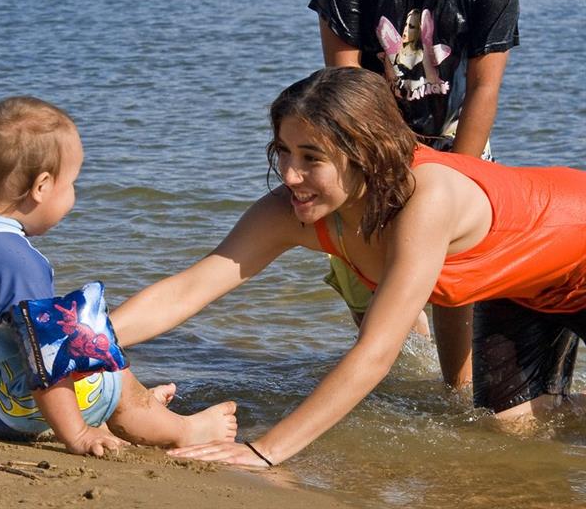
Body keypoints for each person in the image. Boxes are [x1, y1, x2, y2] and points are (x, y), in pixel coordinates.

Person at [110, 67, 584, 468]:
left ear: (367, 154)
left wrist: (265, 450)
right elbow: (189, 288)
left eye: (311, 158)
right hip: (525, 286)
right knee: (515, 427)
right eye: (283, 151)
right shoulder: (294, 209)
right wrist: (78, 339)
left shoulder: (427, 199)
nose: (291, 175)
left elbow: (376, 352)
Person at [0, 96, 237, 456]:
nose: (73, 193)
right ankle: (183, 430)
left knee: (80, 373)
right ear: (41, 187)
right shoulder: (16, 261)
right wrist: (77, 435)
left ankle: (130, 415)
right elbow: (44, 360)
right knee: (102, 358)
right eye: (72, 182)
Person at [309, 0, 520, 388]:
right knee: (366, 276)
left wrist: (459, 175)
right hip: (363, 131)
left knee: (455, 276)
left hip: (457, 136)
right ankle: (393, 376)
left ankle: (457, 391)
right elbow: (344, 77)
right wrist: (379, 164)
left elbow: (483, 84)